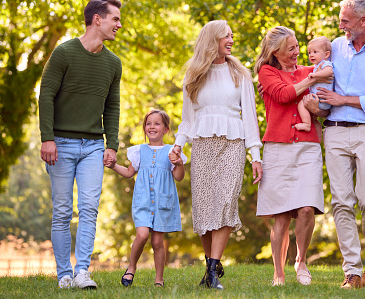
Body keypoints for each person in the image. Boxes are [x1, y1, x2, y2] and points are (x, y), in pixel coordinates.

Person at [305, 0, 365, 289]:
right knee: (341, 203)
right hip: (334, 130)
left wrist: (343, 99)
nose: (340, 24)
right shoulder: (333, 47)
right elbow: (320, 83)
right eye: (340, 19)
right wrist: (314, 105)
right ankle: (352, 271)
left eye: (345, 20)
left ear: (364, 20)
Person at [38, 0, 123, 289]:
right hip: (60, 144)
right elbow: (45, 95)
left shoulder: (113, 63)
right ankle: (64, 274)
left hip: (93, 147)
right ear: (97, 19)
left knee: (89, 207)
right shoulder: (63, 53)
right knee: (62, 210)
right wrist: (46, 138)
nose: (119, 25)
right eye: (115, 19)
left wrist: (111, 144)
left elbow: (112, 106)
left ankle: (82, 272)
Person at [172, 20, 263, 290]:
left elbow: (250, 117)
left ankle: (212, 270)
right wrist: (178, 144)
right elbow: (187, 118)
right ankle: (211, 265)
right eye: (227, 36)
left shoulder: (240, 74)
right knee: (203, 208)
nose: (231, 40)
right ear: (213, 39)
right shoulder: (194, 73)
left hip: (233, 143)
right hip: (203, 145)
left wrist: (255, 155)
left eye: (232, 35)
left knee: (225, 201)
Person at [254, 26, 333, 286]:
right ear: (275, 52)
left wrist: (318, 107)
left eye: (298, 46)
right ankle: (278, 272)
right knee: (281, 215)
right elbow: (284, 95)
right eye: (292, 48)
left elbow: (328, 86)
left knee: (308, 208)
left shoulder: (307, 70)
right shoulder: (267, 72)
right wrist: (313, 78)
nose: (298, 52)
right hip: (277, 148)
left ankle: (301, 261)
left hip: (308, 146)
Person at [105, 109, 185, 287]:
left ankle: (159, 279)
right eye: (148, 124)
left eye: (157, 123)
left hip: (163, 203)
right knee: (141, 235)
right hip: (142, 201)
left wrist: (178, 163)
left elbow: (179, 177)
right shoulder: (138, 151)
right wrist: (113, 166)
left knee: (158, 242)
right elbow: (128, 173)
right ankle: (131, 267)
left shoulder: (172, 151)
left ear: (165, 129)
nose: (152, 127)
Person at [295, 36, 333, 134]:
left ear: (326, 54)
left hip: (321, 99)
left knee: (301, 103)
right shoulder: (317, 66)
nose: (311, 55)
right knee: (308, 109)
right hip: (319, 99)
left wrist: (315, 75)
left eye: (315, 52)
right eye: (309, 52)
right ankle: (311, 126)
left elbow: (329, 71)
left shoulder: (325, 63)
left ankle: (306, 124)